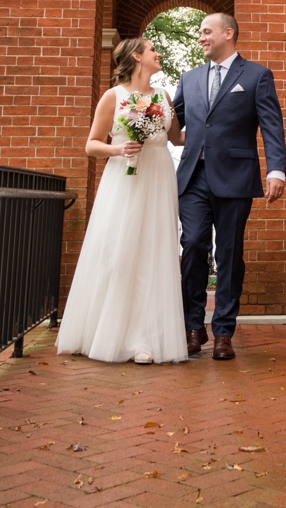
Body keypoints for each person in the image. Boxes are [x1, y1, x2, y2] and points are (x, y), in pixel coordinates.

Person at [56, 38, 189, 364]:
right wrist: (119, 149)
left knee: (153, 253)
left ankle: (144, 338)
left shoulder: (164, 96)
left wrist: (217, 128)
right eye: (152, 50)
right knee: (118, 251)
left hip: (158, 176)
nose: (158, 54)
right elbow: (91, 145)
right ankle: (100, 331)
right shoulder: (113, 97)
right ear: (136, 57)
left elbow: (178, 138)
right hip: (124, 178)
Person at [173, 13, 286, 361]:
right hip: (193, 176)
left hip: (236, 176)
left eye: (206, 31)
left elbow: (271, 125)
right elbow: (169, 122)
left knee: (229, 255)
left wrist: (277, 170)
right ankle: (194, 328)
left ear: (228, 33)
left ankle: (223, 331)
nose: (201, 38)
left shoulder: (256, 76)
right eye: (200, 33)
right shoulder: (188, 79)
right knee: (192, 245)